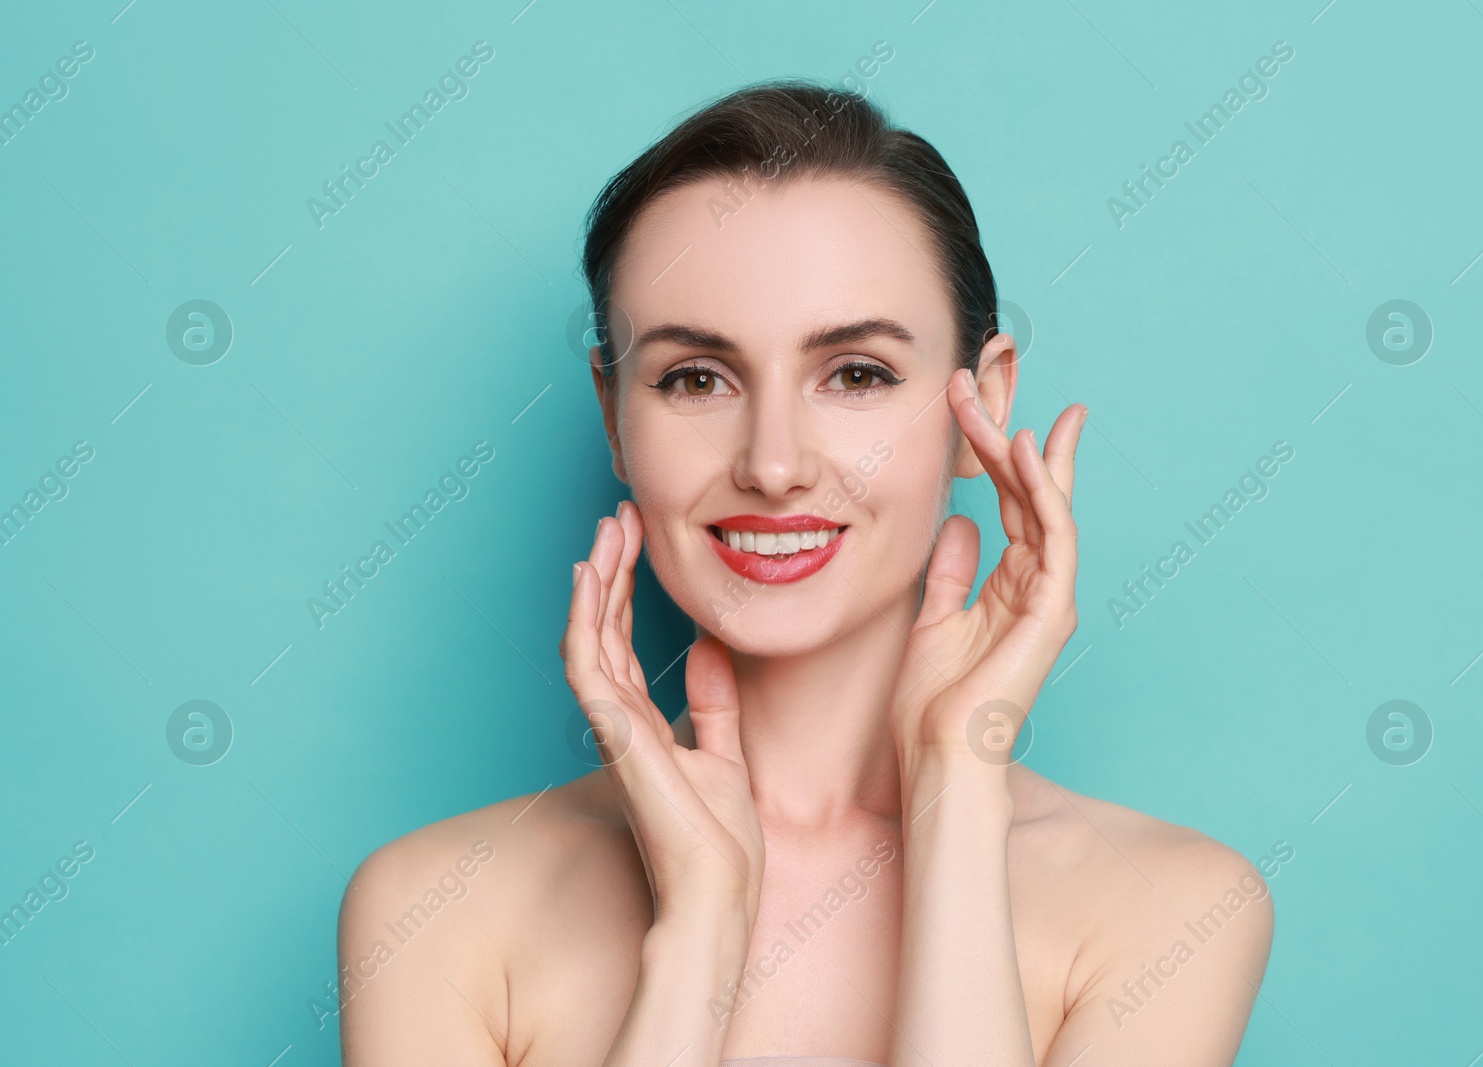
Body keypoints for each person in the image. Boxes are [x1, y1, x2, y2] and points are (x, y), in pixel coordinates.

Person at [338, 78, 1273, 1067]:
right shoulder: (435, 910)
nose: (773, 463)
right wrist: (698, 931)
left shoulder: (1177, 910)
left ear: (981, 404)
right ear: (614, 415)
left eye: (856, 373)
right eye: (695, 377)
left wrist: (956, 782)